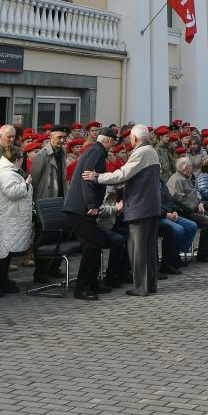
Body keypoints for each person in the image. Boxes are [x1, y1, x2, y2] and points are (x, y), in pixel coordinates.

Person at [87, 124, 162, 296]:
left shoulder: (141, 152)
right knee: (149, 249)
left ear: (135, 138)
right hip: (150, 206)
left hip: (140, 207)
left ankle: (140, 287)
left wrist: (98, 177)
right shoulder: (152, 151)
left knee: (138, 249)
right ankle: (149, 285)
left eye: (131, 139)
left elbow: (122, 174)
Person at [63, 125, 115, 300]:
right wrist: (92, 203)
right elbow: (87, 178)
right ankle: (82, 288)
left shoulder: (96, 150)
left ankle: (91, 283)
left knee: (96, 244)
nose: (112, 146)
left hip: (81, 206)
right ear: (108, 141)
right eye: (112, 143)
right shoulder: (97, 152)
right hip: (80, 207)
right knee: (92, 245)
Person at [0, 124, 32, 297]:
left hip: (8, 214)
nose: (11, 140)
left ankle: (2, 280)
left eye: (13, 137)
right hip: (0, 212)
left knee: (6, 251)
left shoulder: (12, 163)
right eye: (8, 137)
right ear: (0, 136)